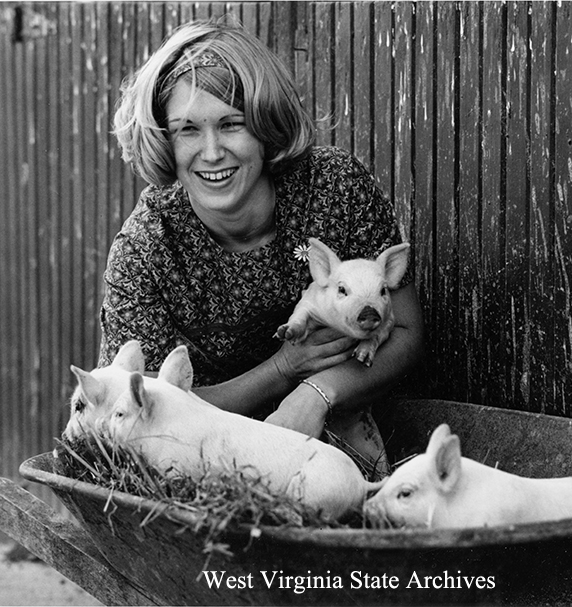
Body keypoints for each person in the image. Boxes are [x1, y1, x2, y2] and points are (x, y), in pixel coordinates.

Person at [100, 17, 425, 479]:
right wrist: (284, 368)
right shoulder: (146, 251)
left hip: (342, 439)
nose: (212, 152)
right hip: (202, 464)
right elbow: (134, 406)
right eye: (187, 130)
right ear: (165, 141)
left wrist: (316, 394)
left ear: (265, 126)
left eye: (231, 124)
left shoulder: (332, 188)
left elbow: (408, 332)